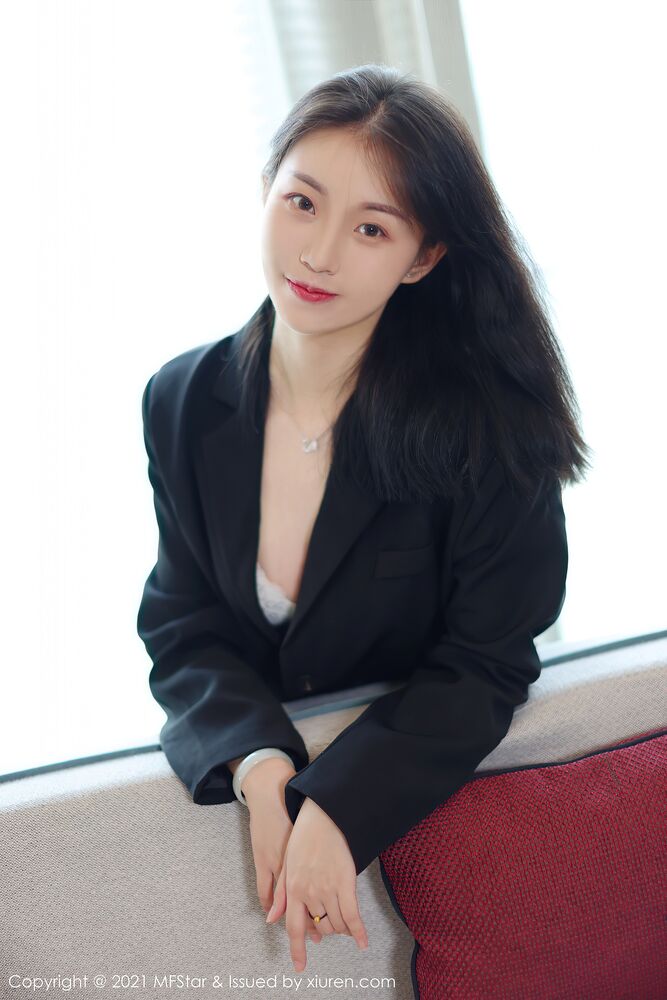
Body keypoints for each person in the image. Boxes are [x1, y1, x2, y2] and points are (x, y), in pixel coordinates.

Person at [136, 63, 591, 976]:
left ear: (423, 259)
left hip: (434, 817)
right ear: (265, 189)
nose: (318, 254)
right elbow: (183, 624)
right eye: (302, 203)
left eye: (371, 228)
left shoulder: (487, 427)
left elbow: (487, 661)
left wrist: (338, 806)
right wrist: (262, 770)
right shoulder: (181, 397)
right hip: (269, 801)